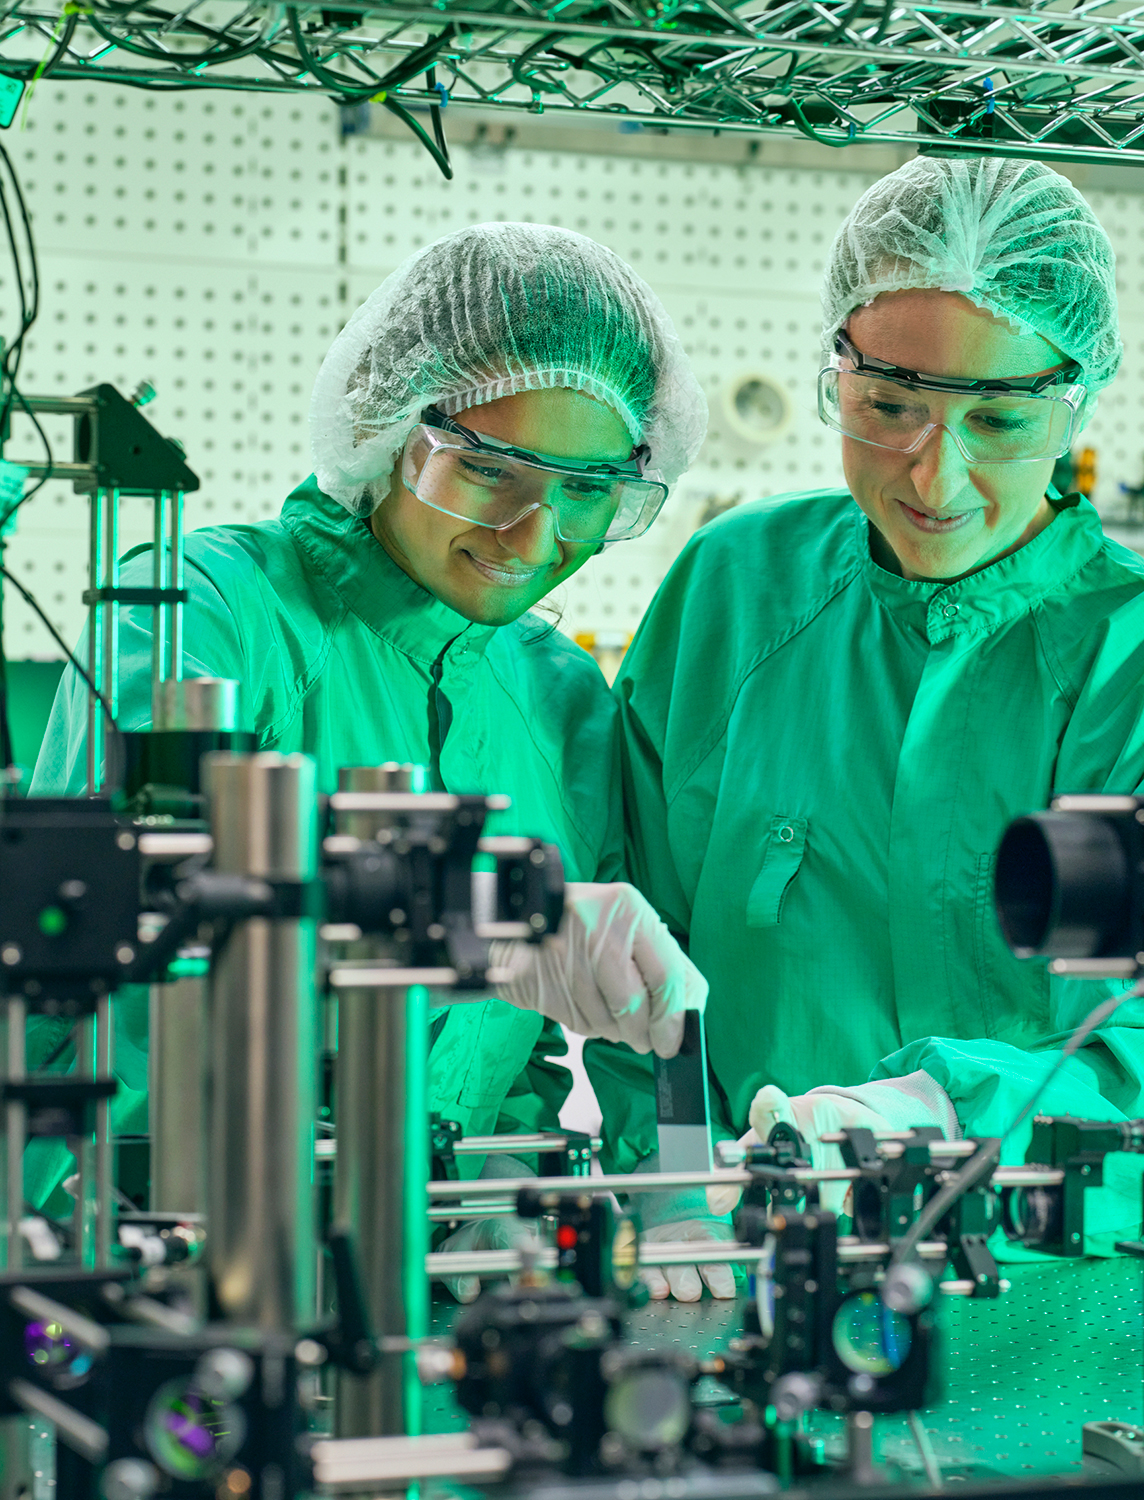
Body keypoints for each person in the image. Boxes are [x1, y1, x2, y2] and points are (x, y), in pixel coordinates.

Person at [587, 156, 1144, 1297]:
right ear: (832, 371)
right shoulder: (733, 594)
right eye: (890, 406)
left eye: (997, 418)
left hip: (1050, 1285)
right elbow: (642, 958)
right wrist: (674, 1181)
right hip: (750, 1273)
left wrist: (924, 1113)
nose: (934, 473)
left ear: (1076, 399)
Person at [28, 223, 709, 1227]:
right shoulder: (202, 607)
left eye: (585, 494)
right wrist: (483, 921)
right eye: (487, 473)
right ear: (391, 426)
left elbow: (639, 1001)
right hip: (138, 1234)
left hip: (444, 1270)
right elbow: (132, 883)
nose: (535, 537)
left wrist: (671, 1184)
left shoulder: (562, 700)